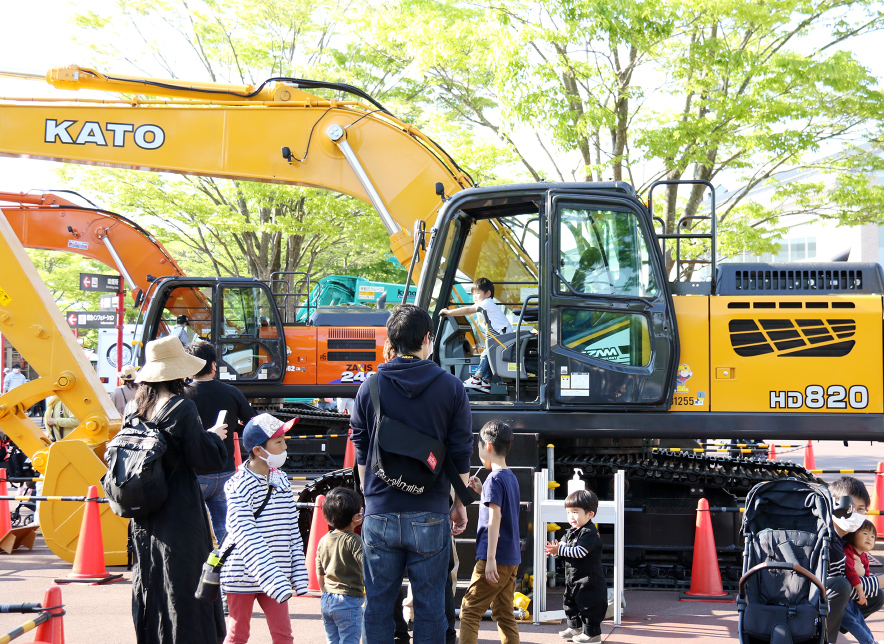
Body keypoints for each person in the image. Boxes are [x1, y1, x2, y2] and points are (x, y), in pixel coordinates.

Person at [350, 303, 474, 644]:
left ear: (393, 340)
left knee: (376, 604)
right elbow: (460, 450)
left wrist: (369, 493)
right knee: (431, 605)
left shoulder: (370, 386)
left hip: (381, 511)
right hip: (431, 510)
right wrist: (459, 503)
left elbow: (361, 445)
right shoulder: (451, 387)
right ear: (427, 339)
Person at [129, 335, 228, 644]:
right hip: (179, 513)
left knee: (151, 584)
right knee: (185, 591)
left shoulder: (135, 408)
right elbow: (203, 458)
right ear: (178, 373)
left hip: (144, 515)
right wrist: (213, 436)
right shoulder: (181, 407)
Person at [221, 413, 308, 644]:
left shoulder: (281, 479)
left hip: (276, 573)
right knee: (238, 634)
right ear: (259, 451)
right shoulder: (238, 486)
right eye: (278, 442)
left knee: (283, 635)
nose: (285, 446)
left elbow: (292, 529)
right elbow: (246, 536)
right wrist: (275, 580)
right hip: (242, 575)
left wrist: (297, 572)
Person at [186, 339, 256, 545]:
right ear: (213, 365)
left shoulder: (184, 394)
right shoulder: (231, 392)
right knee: (226, 531)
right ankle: (225, 571)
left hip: (195, 472)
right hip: (225, 469)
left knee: (191, 530)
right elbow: (251, 421)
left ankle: (200, 571)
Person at [459, 420, 521, 644]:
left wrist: (491, 559)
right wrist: (481, 490)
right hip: (511, 557)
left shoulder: (494, 479)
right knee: (505, 615)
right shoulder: (509, 477)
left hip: (494, 557)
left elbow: (495, 519)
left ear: (487, 446)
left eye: (478, 448)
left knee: (469, 609)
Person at [545, 489, 607, 644]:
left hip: (588, 580)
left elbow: (580, 552)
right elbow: (564, 545)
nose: (571, 516)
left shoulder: (589, 533)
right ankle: (576, 627)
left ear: (590, 515)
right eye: (568, 512)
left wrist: (559, 549)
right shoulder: (572, 531)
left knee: (589, 607)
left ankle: (593, 635)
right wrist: (557, 550)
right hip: (573, 577)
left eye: (575, 512)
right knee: (570, 602)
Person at [826, 476, 883, 643]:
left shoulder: (845, 537)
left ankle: (836, 626)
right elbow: (842, 588)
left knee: (877, 596)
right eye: (851, 508)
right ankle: (824, 634)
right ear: (835, 505)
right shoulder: (829, 541)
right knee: (843, 586)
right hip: (813, 600)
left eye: (862, 509)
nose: (857, 514)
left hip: (837, 594)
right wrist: (880, 581)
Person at [439, 277, 510, 393]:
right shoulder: (485, 303)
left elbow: (468, 310)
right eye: (473, 294)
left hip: (502, 336)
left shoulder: (486, 303)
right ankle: (486, 382)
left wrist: (449, 312)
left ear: (488, 293)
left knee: (487, 353)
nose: (475, 296)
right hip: (500, 335)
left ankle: (477, 378)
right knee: (487, 354)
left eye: (477, 293)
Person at [317, 487, 365, 644]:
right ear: (354, 518)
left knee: (333, 640)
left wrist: (325, 593)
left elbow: (320, 573)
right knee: (349, 640)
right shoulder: (354, 540)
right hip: (349, 600)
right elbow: (366, 567)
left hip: (327, 599)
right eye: (360, 511)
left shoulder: (324, 540)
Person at [842, 520, 879, 644]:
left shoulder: (864, 556)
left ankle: (871, 640)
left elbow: (866, 575)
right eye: (865, 534)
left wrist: (864, 590)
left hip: (850, 596)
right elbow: (850, 572)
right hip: (841, 595)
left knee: (859, 618)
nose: (869, 538)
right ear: (853, 534)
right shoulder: (848, 551)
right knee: (852, 620)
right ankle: (868, 641)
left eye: (873, 536)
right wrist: (860, 591)